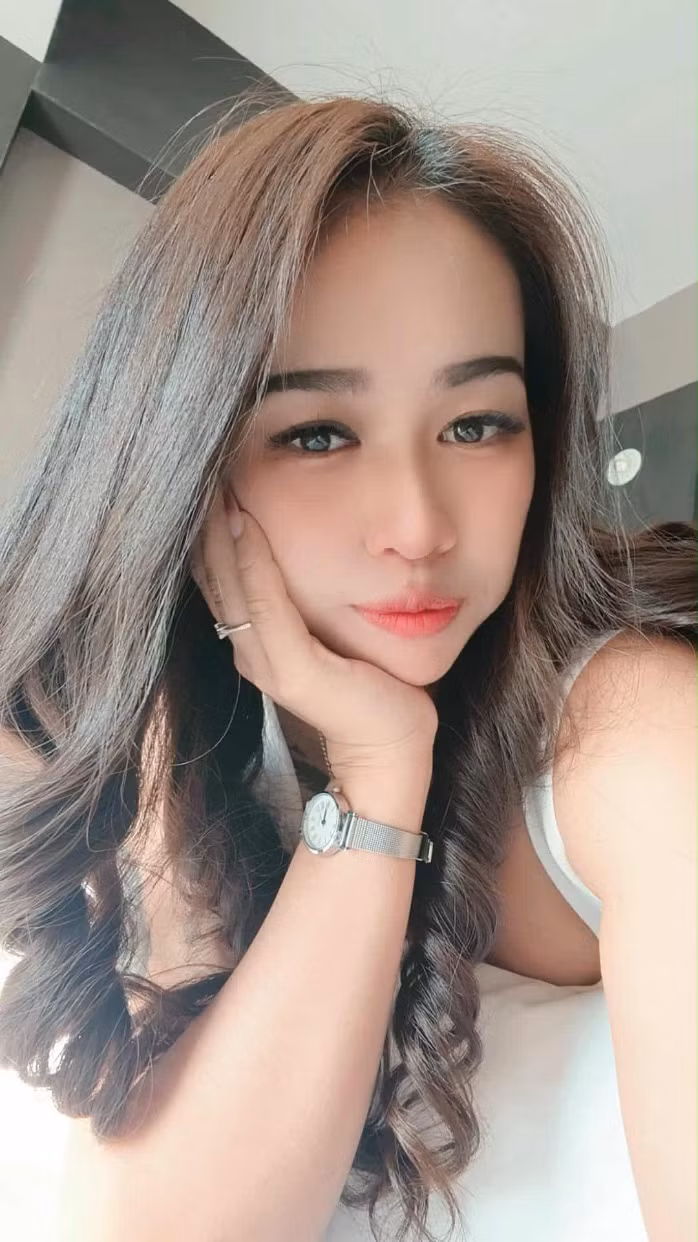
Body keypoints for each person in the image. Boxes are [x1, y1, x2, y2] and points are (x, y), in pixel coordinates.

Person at [0, 91, 695, 1242]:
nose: (418, 526)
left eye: (475, 424)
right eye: (316, 434)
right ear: (188, 464)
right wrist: (378, 771)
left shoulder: (638, 737)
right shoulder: (170, 729)